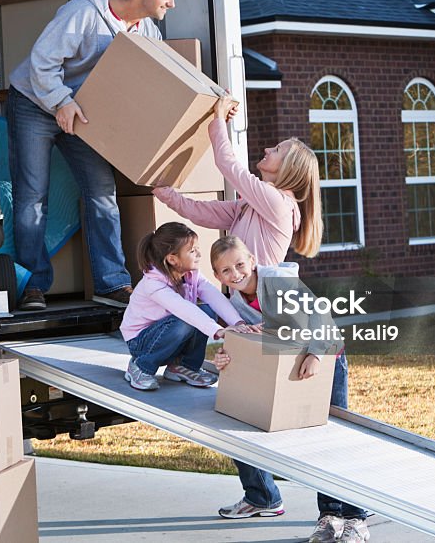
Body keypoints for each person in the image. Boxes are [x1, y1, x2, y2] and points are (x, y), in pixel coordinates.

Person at [7, 0, 182, 311]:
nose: (171, 3)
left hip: (82, 112)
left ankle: (112, 283)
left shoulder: (148, 32)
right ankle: (31, 286)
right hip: (35, 102)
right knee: (32, 197)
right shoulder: (84, 13)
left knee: (102, 191)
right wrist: (60, 102)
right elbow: (42, 61)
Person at [209, 236, 369, 543]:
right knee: (312, 444)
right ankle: (330, 516)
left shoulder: (278, 283)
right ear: (218, 276)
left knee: (332, 441)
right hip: (291, 361)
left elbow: (319, 315)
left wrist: (316, 355)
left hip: (324, 357)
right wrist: (226, 355)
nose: (235, 274)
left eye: (240, 265)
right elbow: (247, 340)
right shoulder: (235, 301)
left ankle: (355, 517)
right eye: (226, 270)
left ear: (252, 260)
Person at [152, 95, 322, 267]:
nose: (267, 149)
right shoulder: (249, 207)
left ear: (288, 167)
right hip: (243, 294)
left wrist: (218, 116)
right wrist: (162, 190)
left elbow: (227, 163)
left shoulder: (279, 204)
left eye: (276, 150)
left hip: (259, 294)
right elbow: (201, 212)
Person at [119, 222, 258, 391]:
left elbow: (214, 296)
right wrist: (218, 331)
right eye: (192, 251)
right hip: (141, 342)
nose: (199, 254)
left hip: (171, 334)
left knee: (207, 309)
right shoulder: (153, 284)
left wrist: (238, 323)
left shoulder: (191, 274)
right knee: (185, 320)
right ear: (172, 259)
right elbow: (184, 310)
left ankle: (183, 367)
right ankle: (140, 367)